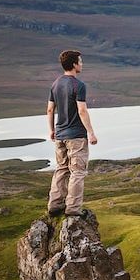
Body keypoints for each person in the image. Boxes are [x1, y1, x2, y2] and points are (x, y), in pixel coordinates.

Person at [46, 49, 98, 217]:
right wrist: (91, 132)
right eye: (80, 61)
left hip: (60, 135)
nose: (82, 64)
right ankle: (73, 209)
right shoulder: (78, 85)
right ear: (74, 64)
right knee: (77, 172)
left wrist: (52, 130)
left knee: (61, 168)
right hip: (76, 136)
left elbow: (49, 109)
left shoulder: (55, 84)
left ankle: (55, 204)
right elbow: (82, 111)